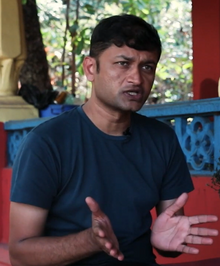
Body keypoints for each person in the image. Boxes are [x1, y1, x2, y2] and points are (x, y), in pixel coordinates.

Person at [9, 14, 218, 266]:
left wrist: (165, 243)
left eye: (147, 67)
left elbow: (169, 238)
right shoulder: (46, 143)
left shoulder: (162, 139)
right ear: (90, 68)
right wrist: (89, 241)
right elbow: (19, 254)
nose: (136, 79)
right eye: (122, 63)